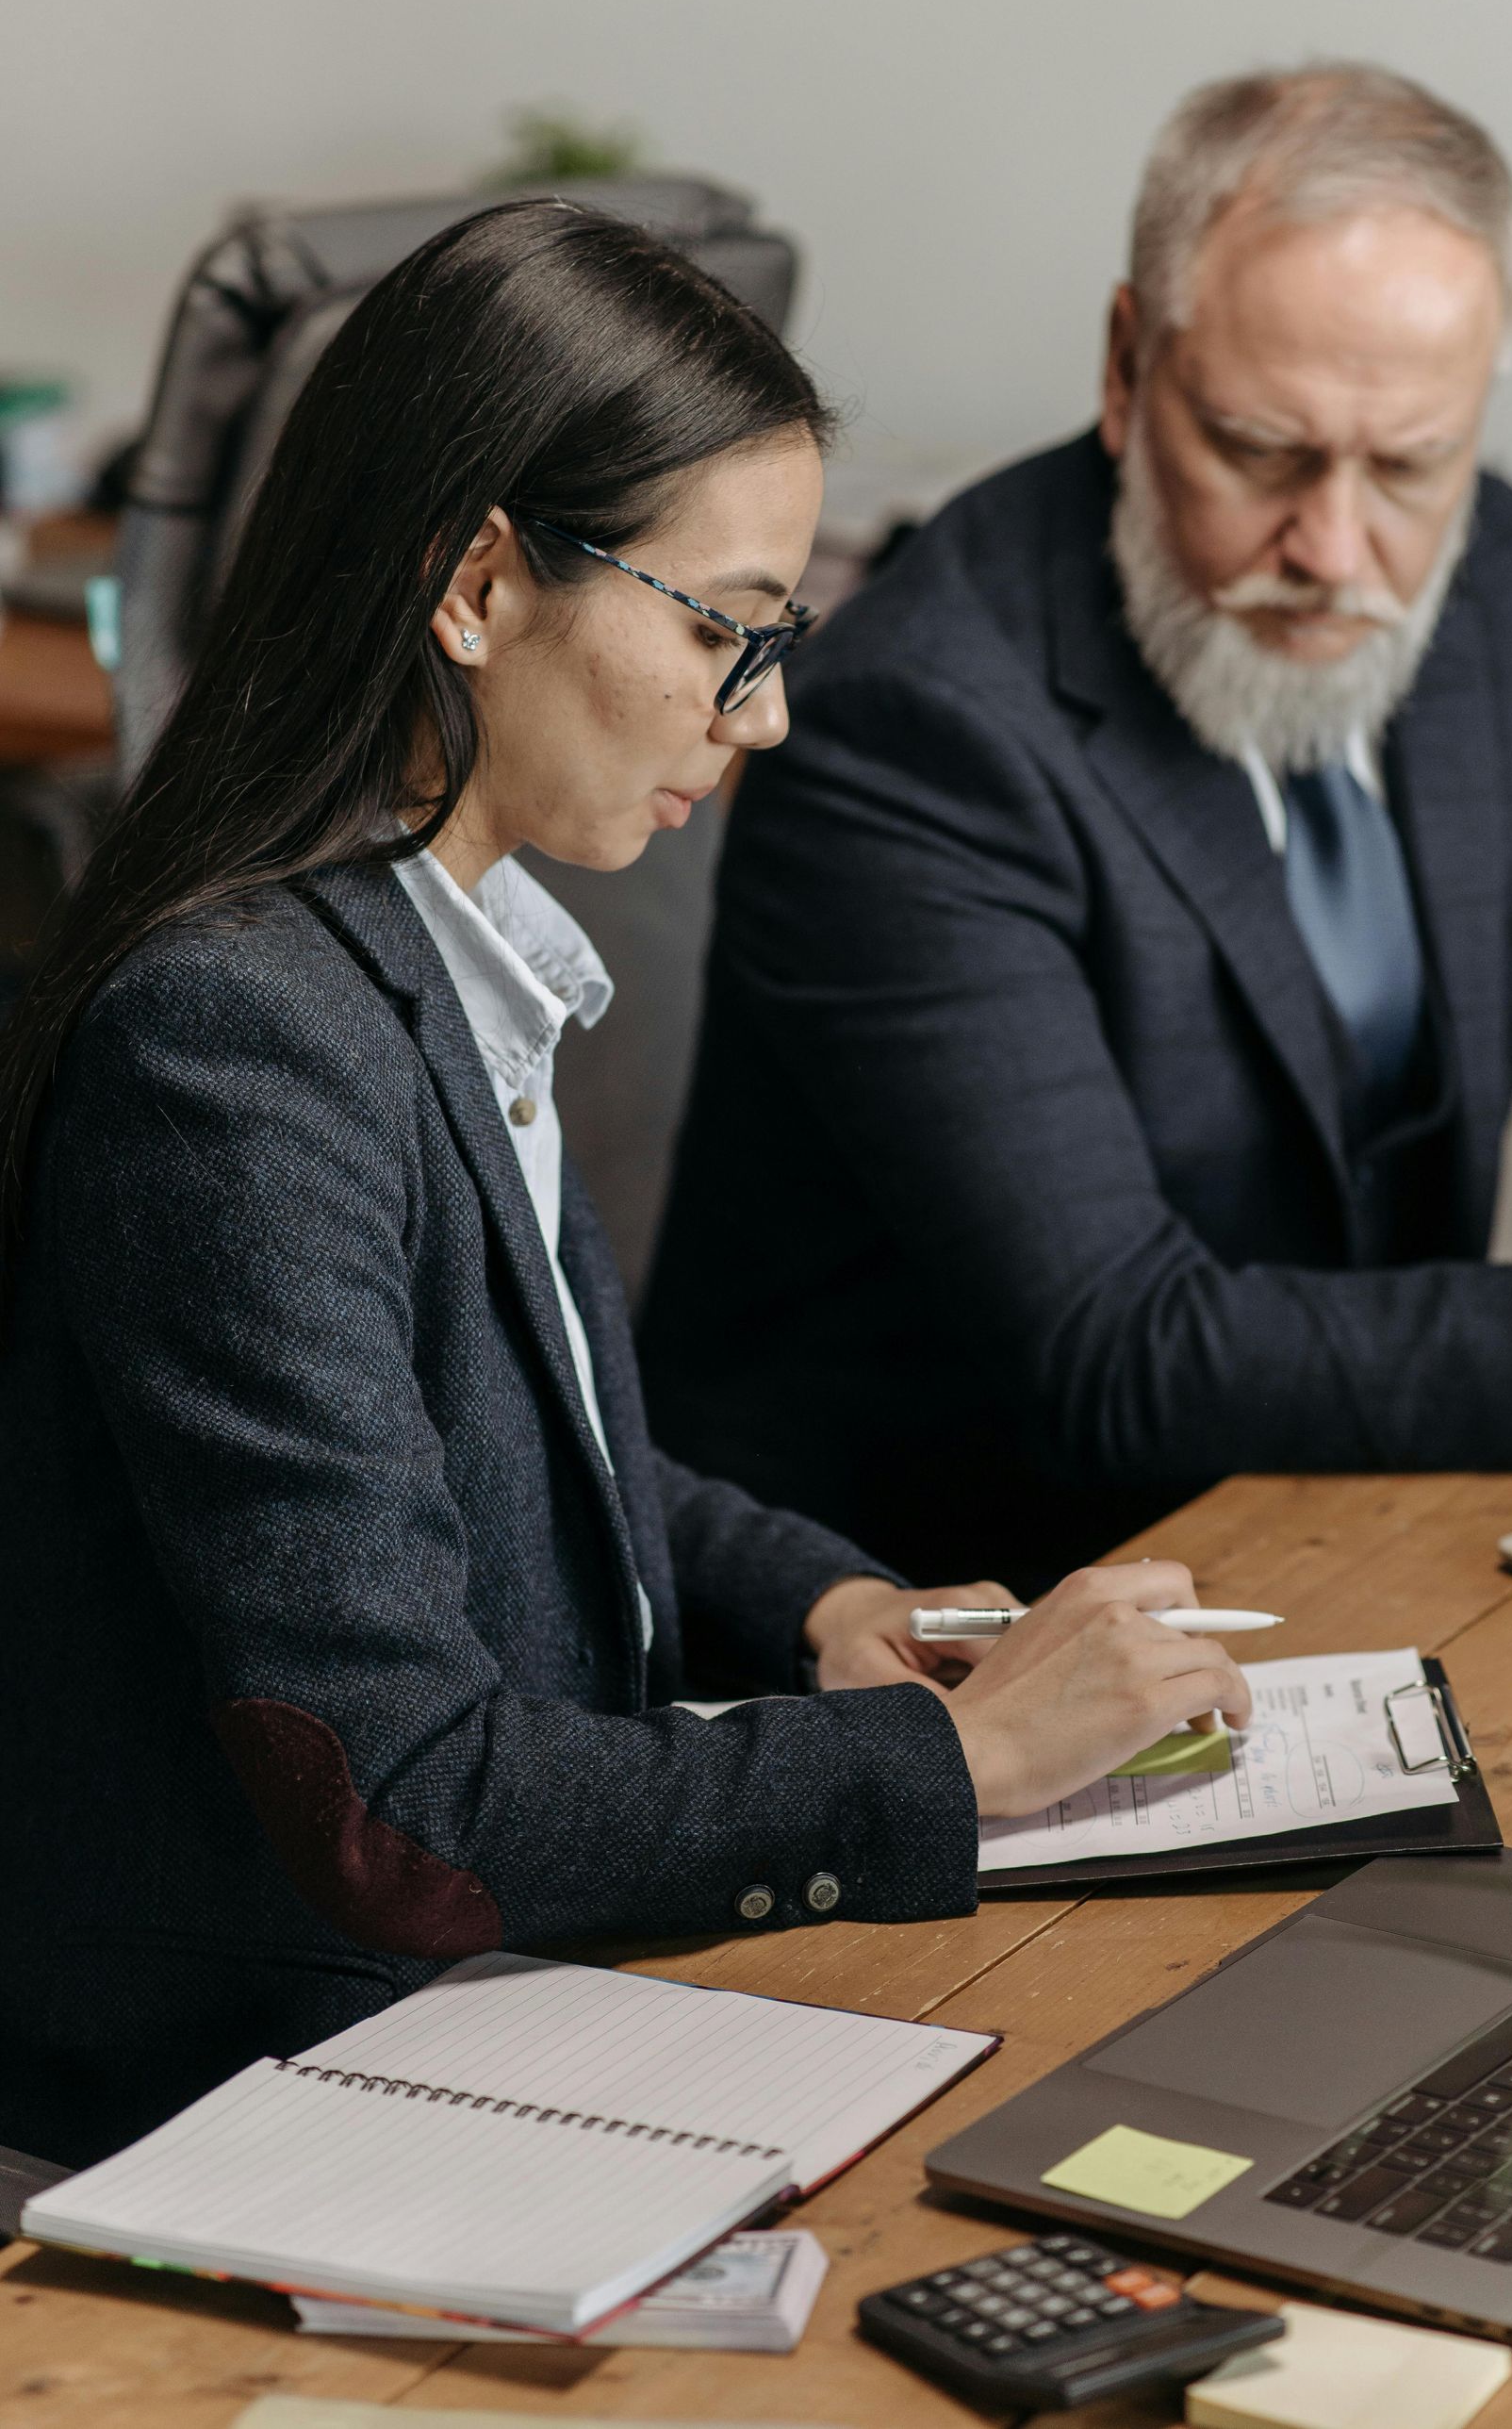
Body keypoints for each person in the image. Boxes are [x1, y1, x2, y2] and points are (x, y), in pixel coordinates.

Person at [0, 203, 1253, 2170]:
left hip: (474, 2028)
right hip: (250, 2124)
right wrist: (955, 1756)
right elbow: (405, 1800)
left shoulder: (429, 948)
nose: (761, 713)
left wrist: (829, 1601)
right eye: (718, 627)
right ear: (479, 584)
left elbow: (504, 1438)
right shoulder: (234, 1042)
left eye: (781, 637)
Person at [641, 65, 1512, 1589]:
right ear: (1130, 369)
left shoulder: (1504, 585)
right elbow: (1116, 1349)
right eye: (1262, 449)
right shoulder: (911, 723)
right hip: (937, 1610)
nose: (1333, 549)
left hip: (1332, 1512)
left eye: (1407, 466)